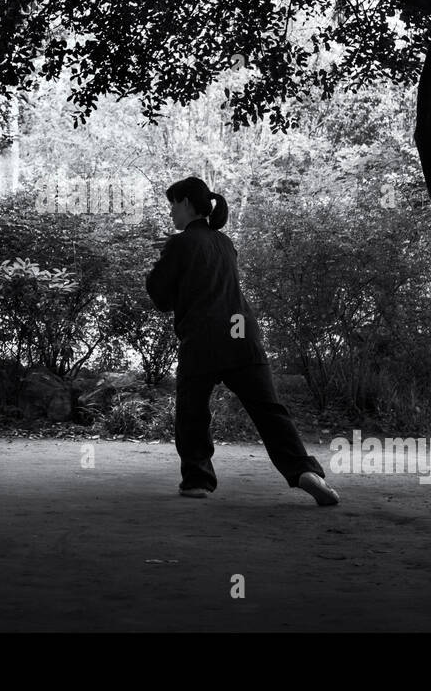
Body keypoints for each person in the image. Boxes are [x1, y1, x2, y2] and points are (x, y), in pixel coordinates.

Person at [145, 176, 339, 506]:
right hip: (240, 332)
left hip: (203, 338)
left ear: (188, 203)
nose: (172, 212)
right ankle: (305, 472)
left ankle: (197, 480)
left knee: (192, 411)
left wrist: (158, 268)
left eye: (174, 204)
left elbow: (161, 296)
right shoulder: (225, 243)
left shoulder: (179, 244)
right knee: (269, 410)